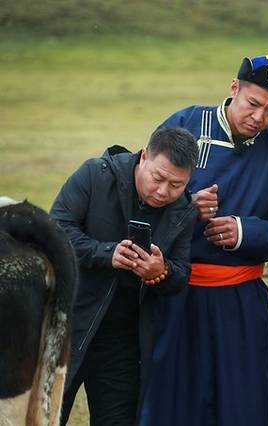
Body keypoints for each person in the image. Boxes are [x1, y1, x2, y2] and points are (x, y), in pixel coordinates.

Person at [140, 34, 268, 426]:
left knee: (244, 404)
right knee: (175, 401)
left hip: (240, 301)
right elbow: (143, 194)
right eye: (253, 103)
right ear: (234, 88)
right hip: (175, 292)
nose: (258, 117)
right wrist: (187, 208)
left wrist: (244, 231)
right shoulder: (186, 125)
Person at [50, 127, 199, 425]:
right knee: (46, 417)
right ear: (144, 157)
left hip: (125, 340)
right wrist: (106, 253)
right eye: (158, 178)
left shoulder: (183, 209)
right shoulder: (95, 175)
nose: (163, 191)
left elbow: (180, 274)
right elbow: (56, 231)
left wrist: (161, 272)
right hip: (67, 326)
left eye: (176, 184)